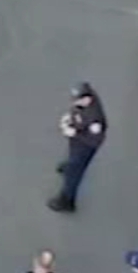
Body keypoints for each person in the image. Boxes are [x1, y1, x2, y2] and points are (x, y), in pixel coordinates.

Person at [48, 82, 106, 213]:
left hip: (85, 146)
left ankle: (67, 201)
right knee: (71, 157)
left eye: (77, 100)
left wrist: (74, 133)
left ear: (87, 99)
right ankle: (69, 165)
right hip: (77, 142)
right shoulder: (85, 101)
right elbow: (78, 113)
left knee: (74, 173)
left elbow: (95, 138)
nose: (75, 103)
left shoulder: (95, 119)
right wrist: (70, 118)